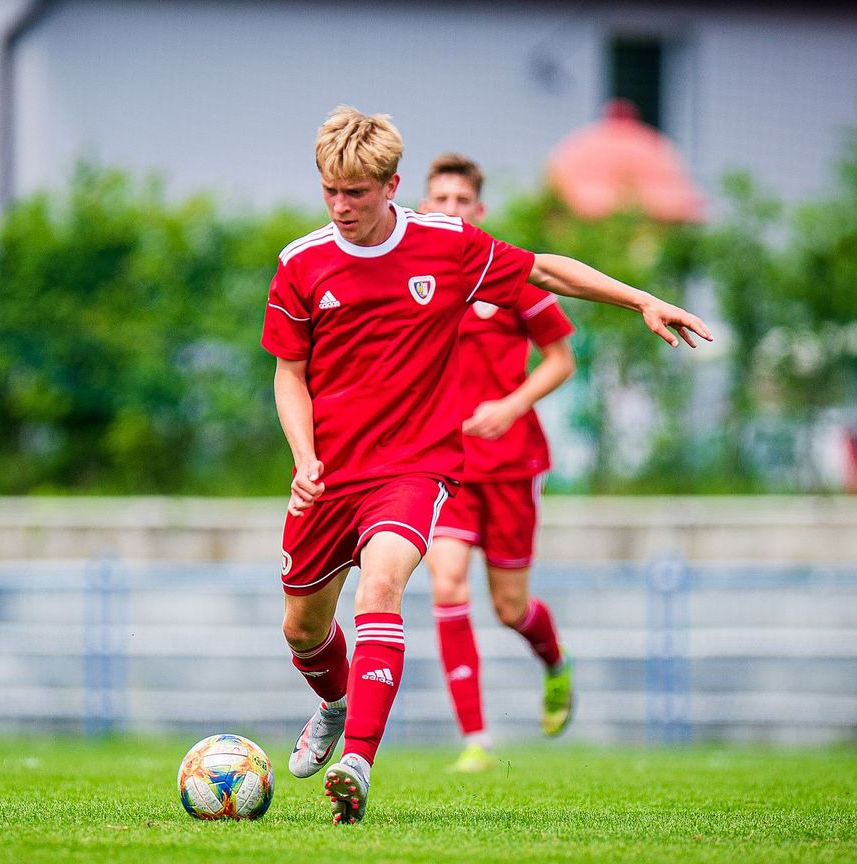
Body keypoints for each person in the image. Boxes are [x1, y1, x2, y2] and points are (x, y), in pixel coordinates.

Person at [261, 106, 709, 825]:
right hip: (330, 472)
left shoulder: (445, 246)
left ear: (391, 186)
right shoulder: (301, 263)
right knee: (301, 630)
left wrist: (641, 299)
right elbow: (289, 374)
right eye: (330, 191)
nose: (341, 206)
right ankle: (335, 703)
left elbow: (545, 269)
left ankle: (360, 763)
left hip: (415, 467)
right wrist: (305, 456)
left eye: (356, 192)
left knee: (384, 586)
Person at [418, 153, 576, 774]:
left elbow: (561, 359)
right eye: (440, 200)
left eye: (462, 201)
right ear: (422, 206)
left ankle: (554, 662)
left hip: (512, 463)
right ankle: (476, 740)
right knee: (447, 582)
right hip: (447, 464)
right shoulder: (414, 280)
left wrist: (511, 406)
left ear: (479, 211)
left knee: (510, 608)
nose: (451, 210)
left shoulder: (507, 276)